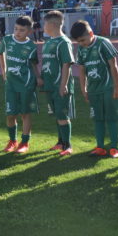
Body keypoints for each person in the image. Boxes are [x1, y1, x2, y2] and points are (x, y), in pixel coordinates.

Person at [71, 19, 118, 158]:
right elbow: (82, 70)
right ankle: (100, 147)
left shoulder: (103, 43)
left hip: (108, 88)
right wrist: (84, 89)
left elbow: (113, 65)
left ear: (91, 33)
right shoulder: (81, 48)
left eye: (83, 40)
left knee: (111, 118)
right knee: (97, 119)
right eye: (78, 42)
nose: (81, 43)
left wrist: (117, 87)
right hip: (93, 90)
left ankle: (114, 148)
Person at [0, 16, 41, 154]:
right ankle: (12, 141)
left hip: (26, 84)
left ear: (29, 31)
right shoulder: (7, 40)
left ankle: (24, 142)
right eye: (16, 29)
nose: (17, 32)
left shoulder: (31, 46)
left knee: (25, 113)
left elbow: (33, 64)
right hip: (10, 84)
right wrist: (3, 70)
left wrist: (38, 77)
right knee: (10, 114)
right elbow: (0, 53)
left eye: (22, 30)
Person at [41, 10, 75, 156]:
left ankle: (68, 145)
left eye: (45, 23)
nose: (43, 26)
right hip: (49, 85)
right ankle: (60, 142)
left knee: (62, 115)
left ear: (52, 24)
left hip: (59, 85)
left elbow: (67, 64)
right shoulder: (48, 42)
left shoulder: (64, 42)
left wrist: (63, 84)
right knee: (56, 114)